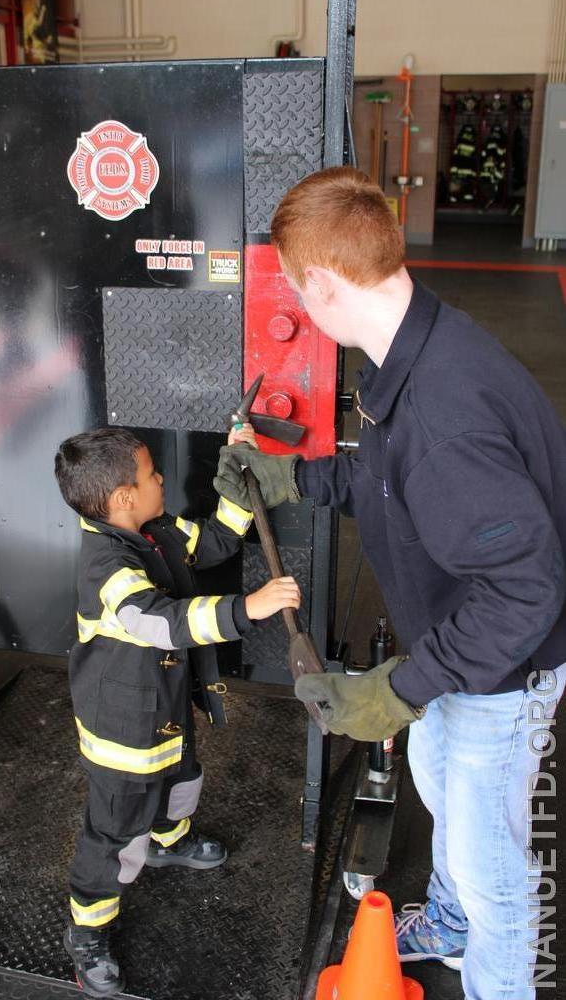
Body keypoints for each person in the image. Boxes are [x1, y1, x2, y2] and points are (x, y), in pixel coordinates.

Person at [215, 166, 566, 1000]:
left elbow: (524, 592)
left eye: (299, 290)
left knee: (496, 874)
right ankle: (447, 919)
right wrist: (291, 481)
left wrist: (397, 689)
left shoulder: (445, 415)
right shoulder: (410, 349)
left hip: (502, 668)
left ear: (325, 284)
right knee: (439, 782)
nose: (299, 306)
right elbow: (385, 481)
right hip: (454, 643)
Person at [55, 425, 300, 998]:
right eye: (151, 475)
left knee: (182, 778)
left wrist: (237, 476)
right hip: (122, 732)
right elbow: (159, 621)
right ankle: (87, 931)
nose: (162, 479)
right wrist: (249, 608)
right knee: (113, 833)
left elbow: (214, 543)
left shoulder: (156, 531)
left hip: (163, 710)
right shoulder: (105, 570)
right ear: (121, 498)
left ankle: (169, 841)